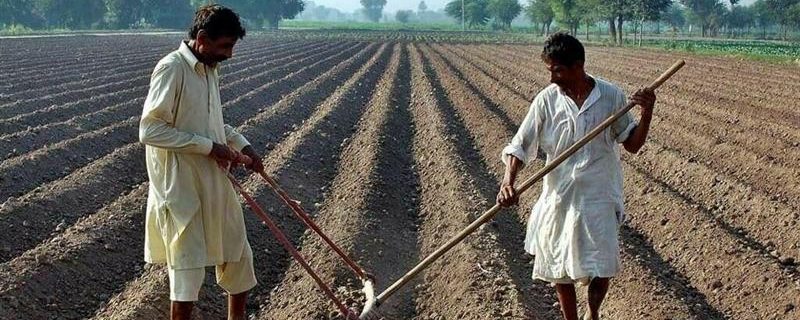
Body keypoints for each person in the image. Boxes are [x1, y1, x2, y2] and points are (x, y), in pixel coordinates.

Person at [496, 32, 656, 320]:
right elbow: (519, 145)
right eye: (550, 71)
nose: (552, 78)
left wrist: (647, 113)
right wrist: (508, 182)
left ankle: (592, 312)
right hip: (560, 195)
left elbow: (632, 145)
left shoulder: (610, 96)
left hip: (600, 194)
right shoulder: (546, 101)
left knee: (602, 264)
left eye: (557, 70)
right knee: (560, 265)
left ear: (578, 65)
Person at [138, 4, 264, 320]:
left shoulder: (208, 70)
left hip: (213, 181)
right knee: (186, 274)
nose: (230, 54)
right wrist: (209, 148)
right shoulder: (172, 69)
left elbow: (212, 125)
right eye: (226, 46)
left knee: (239, 256)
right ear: (203, 38)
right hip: (180, 188)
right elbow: (149, 129)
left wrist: (243, 145)